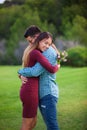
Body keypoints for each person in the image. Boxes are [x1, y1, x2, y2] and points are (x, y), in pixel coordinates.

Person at [18, 29, 59, 130]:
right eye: (29, 41)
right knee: (29, 124)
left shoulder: (45, 50)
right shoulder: (34, 51)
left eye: (30, 40)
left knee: (33, 122)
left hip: (37, 91)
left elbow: (35, 70)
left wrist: (20, 72)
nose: (30, 43)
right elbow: (37, 70)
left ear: (37, 37)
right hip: (31, 90)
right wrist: (20, 73)